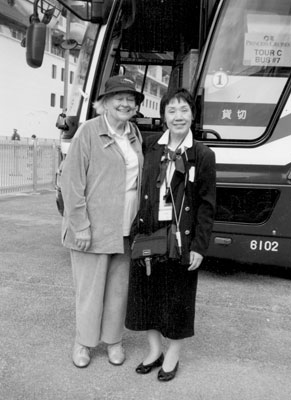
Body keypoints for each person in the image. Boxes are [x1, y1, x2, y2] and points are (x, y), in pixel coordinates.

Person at [125, 88, 216, 381]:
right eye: (172, 110)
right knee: (148, 295)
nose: (178, 117)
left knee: (178, 298)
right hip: (150, 233)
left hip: (182, 238)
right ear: (163, 115)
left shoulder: (202, 155)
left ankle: (173, 354)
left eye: (184, 110)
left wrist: (199, 247)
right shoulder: (150, 146)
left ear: (193, 115)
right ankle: (154, 350)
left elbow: (206, 205)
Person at [60, 75, 144, 368]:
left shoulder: (134, 133)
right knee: (90, 291)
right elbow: (71, 182)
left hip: (125, 227)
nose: (125, 103)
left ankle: (113, 341)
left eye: (130, 99)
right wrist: (80, 225)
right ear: (104, 103)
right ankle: (83, 343)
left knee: (118, 289)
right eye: (118, 98)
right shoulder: (88, 132)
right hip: (92, 228)